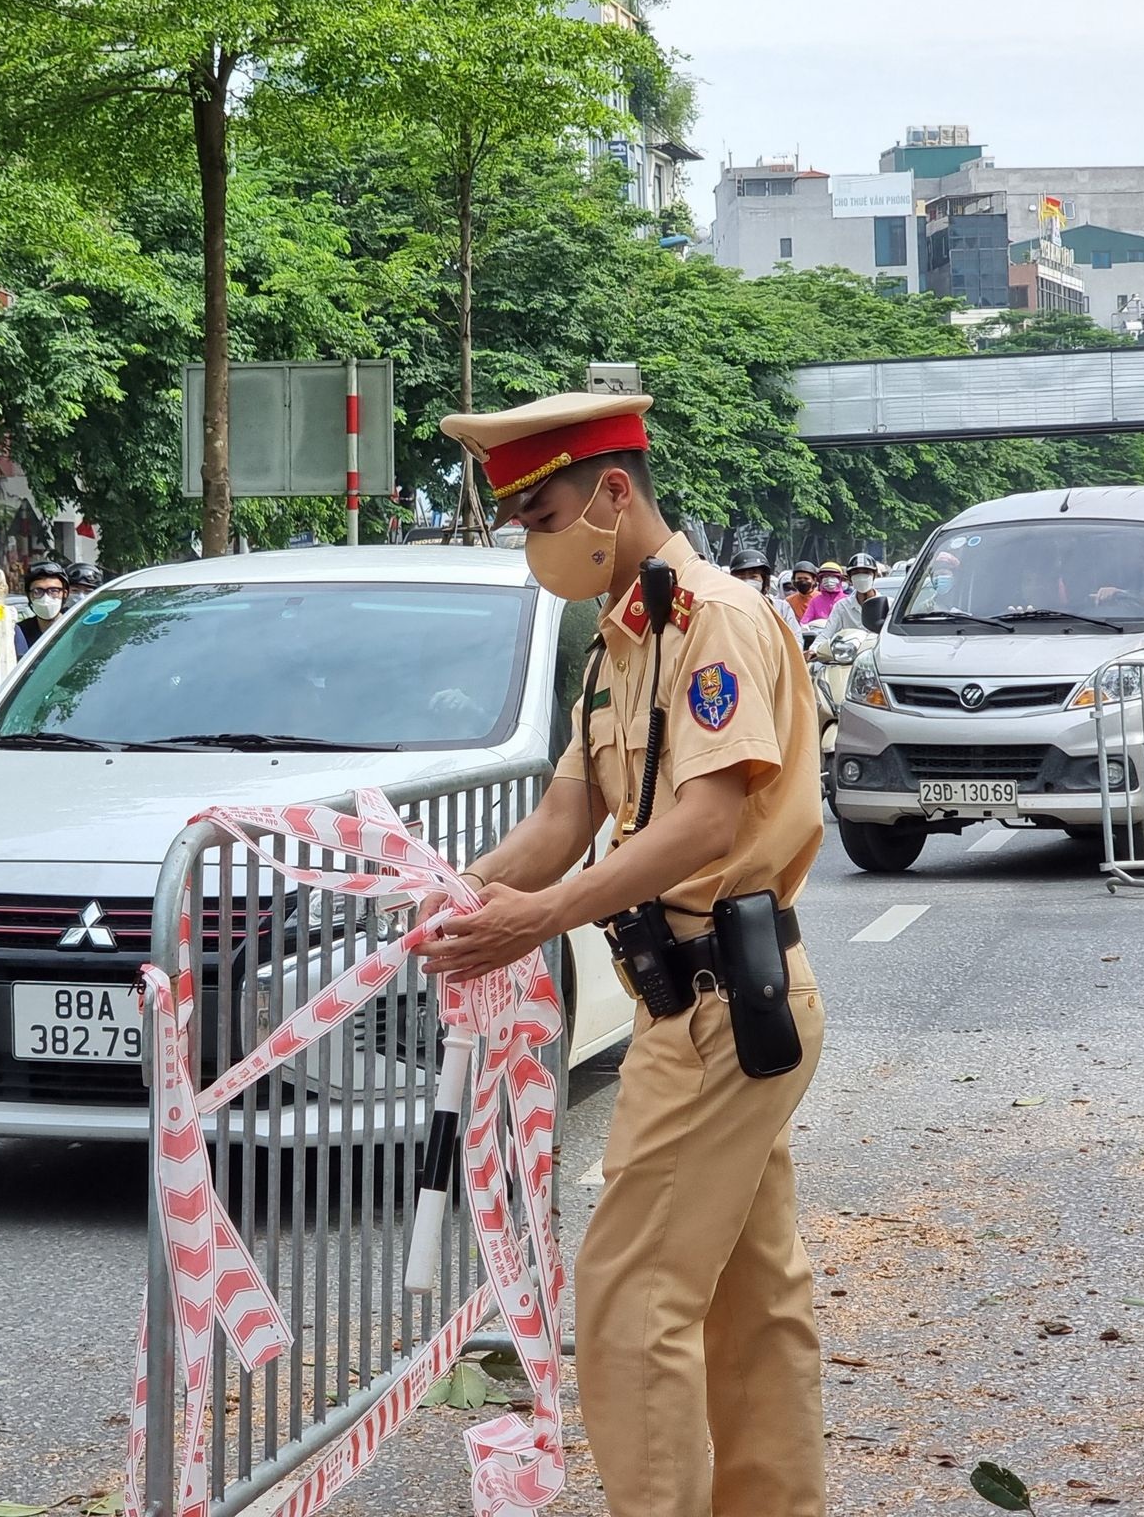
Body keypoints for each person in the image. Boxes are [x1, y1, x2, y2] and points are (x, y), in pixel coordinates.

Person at [417, 390, 826, 1517]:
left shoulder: (716, 621)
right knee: (752, 1303)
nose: (531, 540)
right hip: (690, 1009)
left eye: (538, 512)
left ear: (609, 491)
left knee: (629, 1291)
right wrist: (454, 899)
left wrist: (533, 922)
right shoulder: (617, 640)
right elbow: (560, 822)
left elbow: (701, 824)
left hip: (721, 1001)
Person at [727, 547, 804, 643]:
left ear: (764, 581)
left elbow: (795, 640)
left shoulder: (780, 608)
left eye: (753, 577)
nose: (747, 582)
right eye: (741, 578)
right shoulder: (727, 608)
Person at [812, 552, 883, 654]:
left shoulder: (888, 604)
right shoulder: (842, 606)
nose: (861, 577)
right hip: (848, 658)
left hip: (878, 656)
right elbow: (827, 634)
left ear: (874, 575)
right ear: (849, 578)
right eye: (856, 573)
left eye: (866, 572)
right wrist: (813, 649)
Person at [15, 560, 69, 658]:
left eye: (54, 591)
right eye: (38, 591)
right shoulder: (20, 634)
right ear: (29, 596)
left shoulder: (76, 628)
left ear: (64, 594)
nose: (46, 598)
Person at [801, 559, 848, 627]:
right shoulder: (815, 601)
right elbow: (804, 622)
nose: (829, 580)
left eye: (833, 576)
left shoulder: (847, 600)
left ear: (840, 579)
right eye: (825, 577)